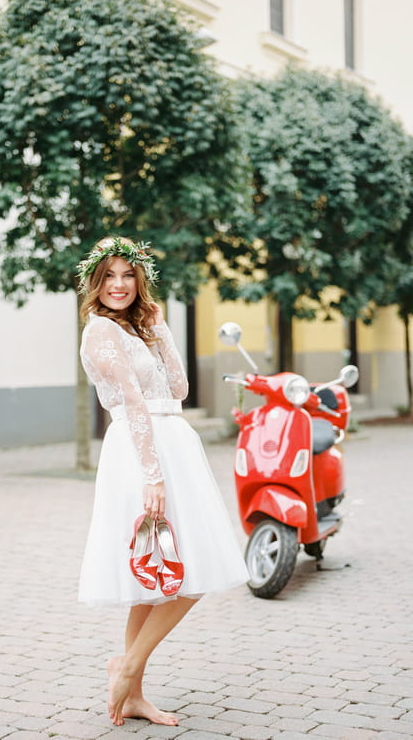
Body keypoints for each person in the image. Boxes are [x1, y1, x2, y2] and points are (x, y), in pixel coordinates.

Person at [77, 236, 248, 727]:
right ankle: (126, 668)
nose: (118, 285)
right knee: (184, 571)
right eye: (108, 276)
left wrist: (161, 330)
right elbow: (132, 403)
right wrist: (152, 477)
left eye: (128, 275)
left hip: (173, 439)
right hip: (141, 450)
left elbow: (179, 388)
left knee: (164, 576)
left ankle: (131, 689)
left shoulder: (139, 326)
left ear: (140, 279)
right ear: (95, 280)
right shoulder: (100, 332)